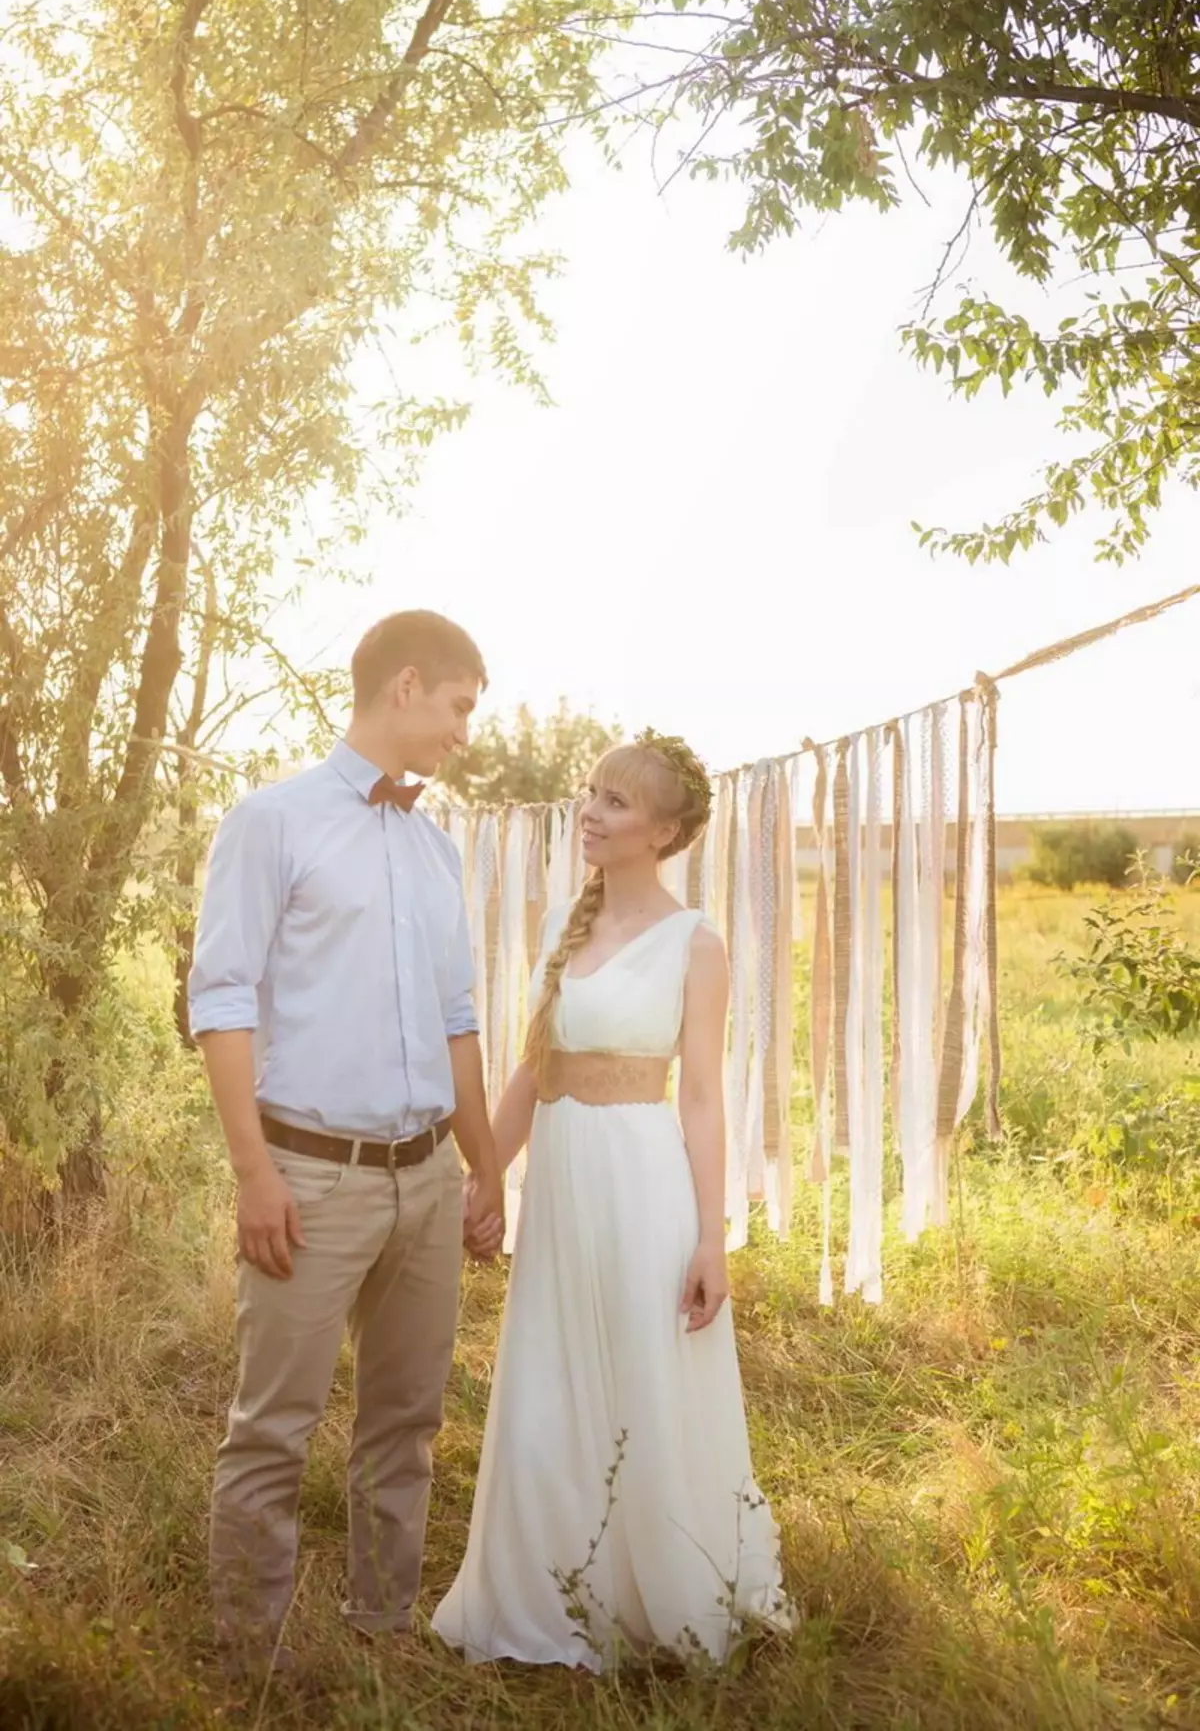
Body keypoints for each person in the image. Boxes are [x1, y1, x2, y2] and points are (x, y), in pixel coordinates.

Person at [432, 730, 791, 1670]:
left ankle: (660, 1591)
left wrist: (711, 1241)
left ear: (665, 831)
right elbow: (531, 1070)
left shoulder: (695, 942)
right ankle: (547, 1585)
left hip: (642, 1184)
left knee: (643, 1372)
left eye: (617, 802)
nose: (590, 810)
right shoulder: (566, 925)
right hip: (561, 1179)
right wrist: (485, 1174)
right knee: (551, 1372)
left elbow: (705, 1098)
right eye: (591, 792)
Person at [188, 609, 504, 1668]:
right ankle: (244, 1659)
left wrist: (485, 1168)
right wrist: (254, 1174)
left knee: (406, 1423)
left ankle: (380, 1629)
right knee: (273, 1429)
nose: (465, 733)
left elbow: (458, 1018)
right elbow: (221, 1000)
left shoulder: (434, 849)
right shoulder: (270, 821)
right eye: (460, 707)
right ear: (406, 686)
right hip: (310, 1180)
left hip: (427, 1179)